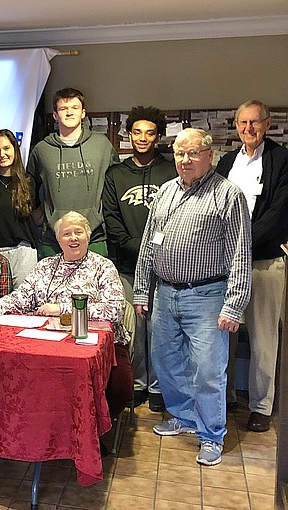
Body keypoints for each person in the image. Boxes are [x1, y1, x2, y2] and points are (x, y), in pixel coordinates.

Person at [134, 128, 252, 466]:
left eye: (193, 153)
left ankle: (211, 433)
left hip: (208, 296)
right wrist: (142, 290)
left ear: (209, 156)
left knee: (208, 371)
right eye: (180, 153)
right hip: (165, 294)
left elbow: (241, 253)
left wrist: (235, 304)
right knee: (167, 364)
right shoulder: (166, 192)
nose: (185, 160)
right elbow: (148, 246)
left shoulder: (228, 195)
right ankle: (184, 417)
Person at [0, 211, 133, 424]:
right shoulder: (45, 266)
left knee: (119, 389)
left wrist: (62, 309)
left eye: (78, 232)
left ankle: (90, 431)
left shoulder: (103, 266)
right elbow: (21, 297)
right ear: (58, 240)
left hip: (100, 344)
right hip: (47, 343)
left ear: (88, 236)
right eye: (67, 234)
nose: (73, 238)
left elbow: (114, 310)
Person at [215, 100, 288, 433]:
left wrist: (242, 244)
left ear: (268, 123)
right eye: (242, 123)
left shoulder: (282, 160)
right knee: (223, 334)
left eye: (254, 123)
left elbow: (278, 214)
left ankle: (260, 405)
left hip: (263, 259)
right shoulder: (228, 161)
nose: (248, 129)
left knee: (262, 337)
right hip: (226, 265)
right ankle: (226, 396)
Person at [102, 106, 177, 412]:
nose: (142, 138)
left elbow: (177, 220)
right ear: (128, 134)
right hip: (128, 267)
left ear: (158, 136)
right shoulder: (116, 174)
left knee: (162, 330)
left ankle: (160, 388)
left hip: (165, 268)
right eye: (136, 132)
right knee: (134, 330)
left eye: (149, 133)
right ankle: (137, 384)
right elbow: (112, 221)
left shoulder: (171, 171)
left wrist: (154, 253)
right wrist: (140, 249)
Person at [27, 88, 119, 259]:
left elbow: (116, 184)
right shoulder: (42, 150)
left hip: (94, 237)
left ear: (83, 113)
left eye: (75, 108)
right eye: (63, 109)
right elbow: (28, 186)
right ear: (55, 115)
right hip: (53, 240)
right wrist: (37, 214)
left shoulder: (102, 145)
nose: (69, 113)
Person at [0, 129, 37, 287]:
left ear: (15, 150)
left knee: (24, 305)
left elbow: (38, 218)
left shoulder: (29, 182)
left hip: (23, 253)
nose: (2, 154)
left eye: (6, 148)